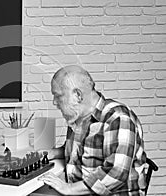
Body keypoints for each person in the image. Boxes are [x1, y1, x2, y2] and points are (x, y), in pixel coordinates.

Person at [38, 65, 147, 195]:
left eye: (58, 96)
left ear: (78, 95)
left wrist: (69, 189)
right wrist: (53, 153)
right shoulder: (78, 117)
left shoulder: (117, 118)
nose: (54, 102)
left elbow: (116, 173)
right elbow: (81, 151)